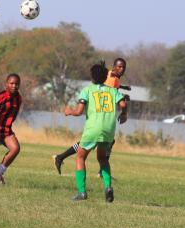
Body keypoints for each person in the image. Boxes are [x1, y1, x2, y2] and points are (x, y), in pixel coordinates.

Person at [53, 58, 130, 175]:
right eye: (119, 66)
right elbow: (107, 89)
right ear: (113, 66)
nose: (121, 69)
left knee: (93, 141)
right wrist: (123, 98)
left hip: (104, 115)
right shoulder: (111, 75)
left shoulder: (115, 79)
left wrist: (123, 89)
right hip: (99, 114)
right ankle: (101, 171)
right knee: (99, 142)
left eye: (123, 67)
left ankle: (61, 157)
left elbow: (111, 90)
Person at [64, 63, 127, 202]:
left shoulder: (87, 90)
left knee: (80, 157)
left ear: (92, 77)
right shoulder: (113, 91)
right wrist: (124, 115)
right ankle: (108, 187)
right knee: (103, 158)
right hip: (108, 130)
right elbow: (123, 104)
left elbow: (79, 111)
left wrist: (69, 111)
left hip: (93, 128)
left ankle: (82, 192)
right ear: (106, 77)